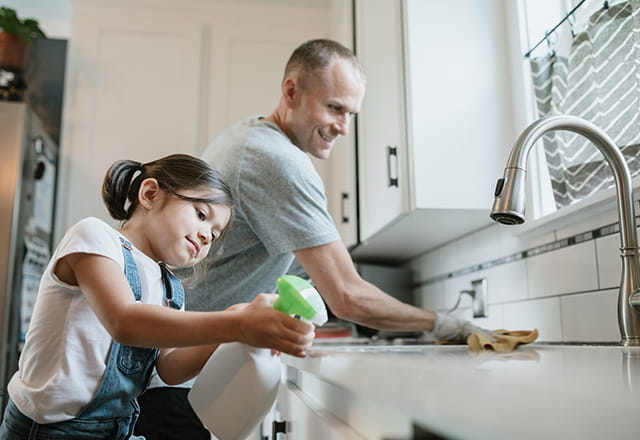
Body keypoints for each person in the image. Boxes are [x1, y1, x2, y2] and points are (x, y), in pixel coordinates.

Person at [135, 39, 491, 438]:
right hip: (177, 383)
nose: (343, 126)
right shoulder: (277, 161)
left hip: (175, 369)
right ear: (291, 91)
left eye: (351, 113)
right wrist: (446, 324)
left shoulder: (251, 136)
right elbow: (347, 296)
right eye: (335, 107)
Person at [0, 154, 315, 440]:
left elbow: (168, 368)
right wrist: (237, 323)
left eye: (215, 234)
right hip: (48, 430)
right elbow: (125, 321)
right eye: (201, 215)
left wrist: (232, 323)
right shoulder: (95, 237)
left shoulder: (169, 287)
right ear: (150, 194)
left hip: (117, 429)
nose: (207, 235)